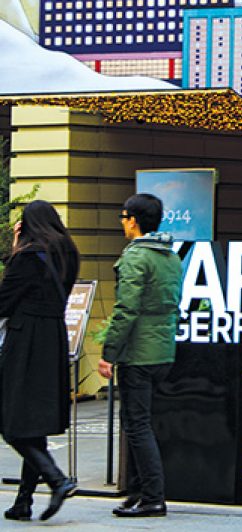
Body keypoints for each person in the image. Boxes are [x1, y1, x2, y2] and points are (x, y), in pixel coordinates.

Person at [98, 193, 182, 519]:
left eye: (123, 217)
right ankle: (136, 493)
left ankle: (152, 497)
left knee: (137, 425)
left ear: (133, 220)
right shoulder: (170, 256)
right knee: (135, 423)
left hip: (138, 355)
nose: (122, 223)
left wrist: (109, 353)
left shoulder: (136, 258)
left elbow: (126, 309)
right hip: (163, 350)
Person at [0, 200, 80, 522]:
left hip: (27, 341)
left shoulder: (29, 257)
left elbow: (3, 301)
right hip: (53, 339)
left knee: (11, 420)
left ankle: (57, 479)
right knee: (32, 421)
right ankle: (23, 501)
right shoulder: (68, 254)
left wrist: (16, 250)